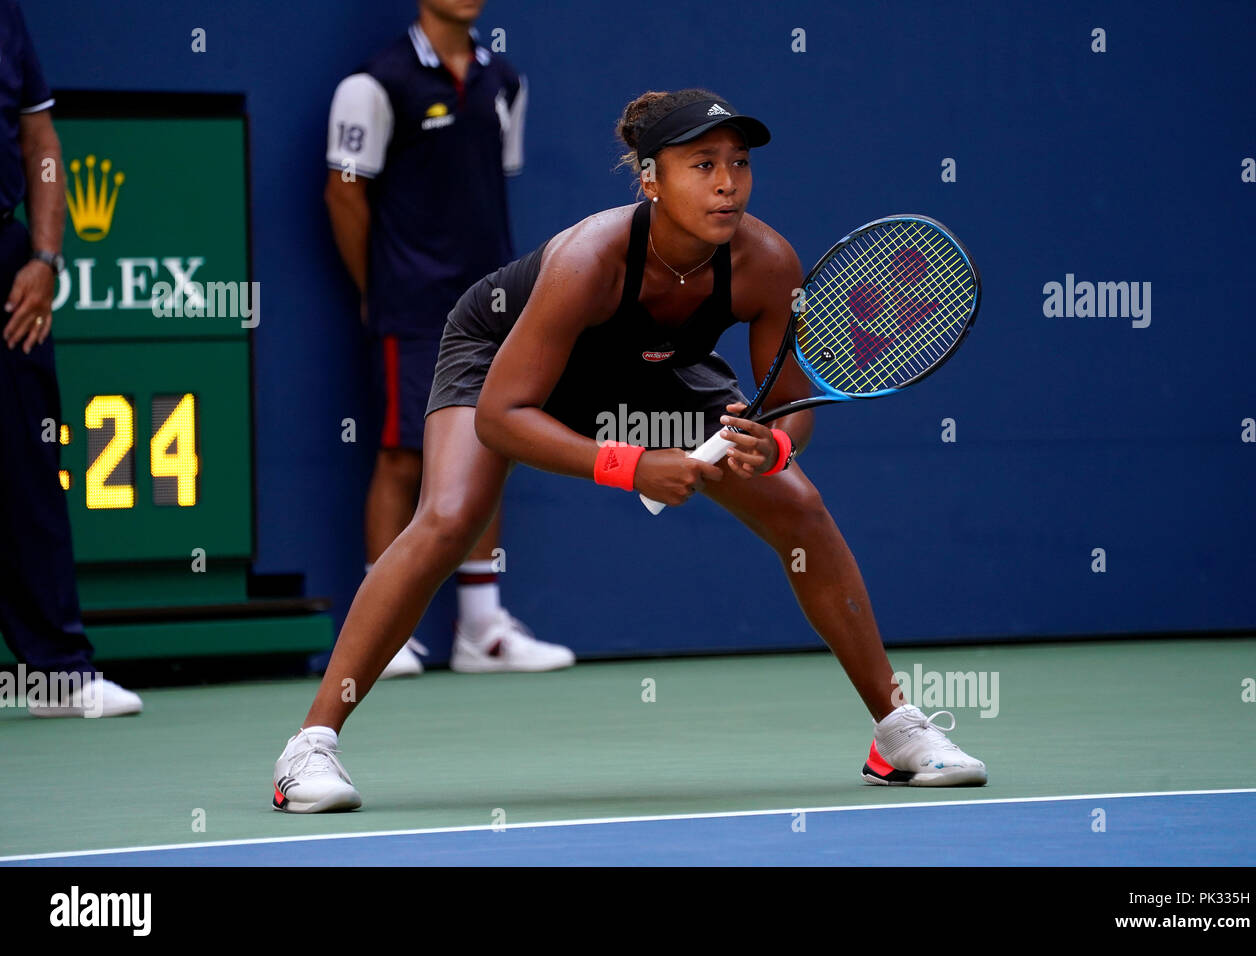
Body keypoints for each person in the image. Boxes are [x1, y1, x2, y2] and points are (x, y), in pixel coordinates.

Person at [273, 88, 987, 812]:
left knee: (800, 507)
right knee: (451, 515)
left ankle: (897, 733)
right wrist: (630, 463)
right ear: (650, 179)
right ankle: (309, 749)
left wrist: (768, 448)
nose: (726, 182)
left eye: (739, 164)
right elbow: (501, 418)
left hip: (653, 367)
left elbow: (789, 410)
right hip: (504, 359)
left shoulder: (768, 263)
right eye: (702, 164)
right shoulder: (591, 259)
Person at [324, 0, 572, 677]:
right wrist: (377, 288)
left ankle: (482, 628)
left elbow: (489, 187)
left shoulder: (505, 82)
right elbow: (343, 193)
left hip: (492, 304)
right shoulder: (374, 84)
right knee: (404, 457)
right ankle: (386, 632)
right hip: (412, 306)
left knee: (489, 446)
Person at [0, 0, 141, 718]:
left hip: (7, 261)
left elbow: (40, 138)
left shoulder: (8, 18)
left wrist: (45, 257)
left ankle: (56, 673)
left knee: (28, 467)